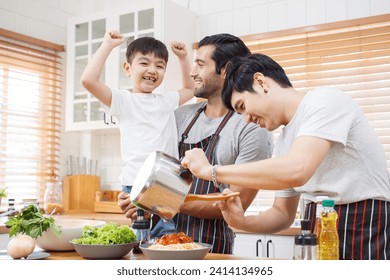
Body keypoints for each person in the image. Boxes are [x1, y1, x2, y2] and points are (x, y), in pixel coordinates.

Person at [181, 53, 390, 260]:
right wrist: (241, 222)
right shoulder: (285, 141)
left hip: (362, 221)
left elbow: (297, 169)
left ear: (260, 81)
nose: (246, 119)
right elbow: (282, 214)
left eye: (243, 107)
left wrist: (212, 171)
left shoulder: (324, 100)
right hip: (316, 225)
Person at [118, 34, 274, 254]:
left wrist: (158, 201)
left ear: (226, 69)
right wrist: (137, 197)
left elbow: (236, 202)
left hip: (211, 250)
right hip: (157, 247)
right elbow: (147, 159)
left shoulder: (251, 127)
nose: (192, 73)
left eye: (200, 65)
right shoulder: (179, 116)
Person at [81, 31, 195, 237]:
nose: (152, 70)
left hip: (170, 182)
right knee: (142, 240)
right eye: (144, 63)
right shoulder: (123, 100)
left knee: (167, 237)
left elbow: (191, 87)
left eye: (159, 66)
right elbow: (88, 80)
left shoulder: (166, 101)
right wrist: (107, 44)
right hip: (137, 182)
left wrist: (183, 57)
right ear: (128, 68)